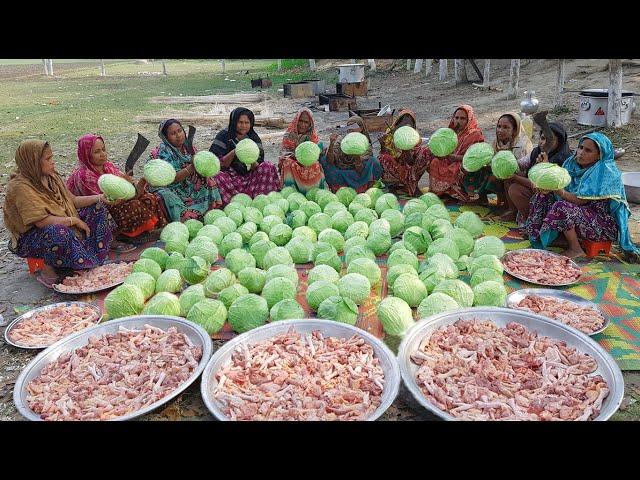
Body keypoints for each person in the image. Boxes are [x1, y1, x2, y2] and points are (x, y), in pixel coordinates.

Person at [3, 140, 114, 287]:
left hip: (61, 221)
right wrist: (74, 221)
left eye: (52, 157)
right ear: (33, 162)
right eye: (48, 159)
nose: (53, 162)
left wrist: (100, 198)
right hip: (33, 236)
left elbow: (72, 200)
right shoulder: (20, 187)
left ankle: (89, 259)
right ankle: (49, 272)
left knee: (98, 210)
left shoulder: (51, 176)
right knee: (58, 232)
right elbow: (41, 222)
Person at [524, 132, 640, 260]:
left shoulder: (605, 171)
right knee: (541, 197)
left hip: (601, 224)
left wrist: (558, 190)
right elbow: (559, 187)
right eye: (580, 147)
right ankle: (538, 235)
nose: (581, 152)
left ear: (599, 155)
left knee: (561, 207)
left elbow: (578, 200)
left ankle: (576, 248)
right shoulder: (571, 164)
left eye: (588, 150)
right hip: (579, 215)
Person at [67, 134, 165, 243]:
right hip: (99, 209)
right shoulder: (84, 175)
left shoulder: (108, 166)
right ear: (86, 154)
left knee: (149, 197)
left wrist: (136, 182)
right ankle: (128, 235)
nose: (102, 154)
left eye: (103, 149)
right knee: (133, 205)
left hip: (117, 201)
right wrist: (130, 193)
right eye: (96, 152)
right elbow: (107, 200)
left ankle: (148, 230)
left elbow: (124, 184)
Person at [148, 119, 222, 222]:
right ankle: (183, 217)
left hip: (188, 185)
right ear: (166, 137)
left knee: (209, 180)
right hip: (169, 186)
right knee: (166, 196)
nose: (178, 135)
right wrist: (191, 168)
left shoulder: (189, 148)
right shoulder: (163, 153)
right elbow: (170, 179)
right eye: (173, 133)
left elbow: (198, 168)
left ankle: (208, 212)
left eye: (180, 130)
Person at [500, 122, 571, 223]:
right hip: (535, 186)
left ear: (559, 142)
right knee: (508, 175)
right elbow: (520, 164)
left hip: (551, 197)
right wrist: (505, 163)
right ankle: (513, 211)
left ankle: (533, 221)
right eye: (542, 138)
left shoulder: (563, 160)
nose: (544, 143)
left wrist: (544, 166)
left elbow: (540, 185)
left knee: (515, 189)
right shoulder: (537, 152)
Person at [209, 107, 280, 204]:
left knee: (268, 167)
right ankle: (229, 203)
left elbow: (258, 165)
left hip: (250, 178)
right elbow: (216, 163)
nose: (243, 126)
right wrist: (235, 151)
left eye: (247, 123)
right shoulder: (224, 135)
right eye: (240, 122)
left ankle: (259, 200)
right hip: (229, 178)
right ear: (234, 122)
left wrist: (250, 158)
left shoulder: (253, 137)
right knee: (215, 175)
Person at [465, 112, 534, 206]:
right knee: (476, 171)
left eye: (506, 127)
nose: (500, 130)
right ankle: (483, 199)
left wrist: (495, 169)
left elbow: (518, 169)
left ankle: (498, 204)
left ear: (514, 130)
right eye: (499, 126)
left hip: (518, 176)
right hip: (498, 171)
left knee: (492, 179)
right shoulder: (497, 142)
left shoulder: (521, 145)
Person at [427, 105, 485, 201]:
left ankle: (457, 193)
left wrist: (455, 157)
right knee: (435, 162)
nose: (458, 121)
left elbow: (475, 158)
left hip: (462, 162)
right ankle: (440, 191)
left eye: (462, 118)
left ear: (469, 120)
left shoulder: (475, 135)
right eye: (456, 118)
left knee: (458, 168)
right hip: (449, 160)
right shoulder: (450, 133)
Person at [319, 116, 383, 193]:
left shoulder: (365, 144)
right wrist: (332, 143)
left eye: (354, 126)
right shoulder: (341, 140)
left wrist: (356, 156)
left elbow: (360, 170)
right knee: (324, 159)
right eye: (349, 126)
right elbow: (330, 161)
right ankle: (337, 188)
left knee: (373, 161)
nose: (351, 129)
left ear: (361, 128)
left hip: (357, 173)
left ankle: (365, 188)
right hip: (341, 170)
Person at [378, 109, 432, 197]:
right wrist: (382, 144)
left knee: (425, 152)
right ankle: (393, 186)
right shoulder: (390, 134)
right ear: (397, 124)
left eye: (409, 124)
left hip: (412, 168)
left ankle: (412, 184)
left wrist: (407, 150)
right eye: (403, 123)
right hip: (396, 167)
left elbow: (411, 162)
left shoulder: (414, 137)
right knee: (382, 157)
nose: (406, 126)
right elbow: (387, 153)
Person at [278, 107, 326, 194]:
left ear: (310, 124)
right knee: (287, 163)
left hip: (308, 163)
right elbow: (284, 155)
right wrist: (294, 156)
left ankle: (314, 193)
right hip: (294, 163)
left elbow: (317, 154)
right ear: (296, 121)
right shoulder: (289, 135)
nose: (302, 124)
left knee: (316, 165)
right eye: (300, 121)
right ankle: (290, 193)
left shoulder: (312, 137)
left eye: (306, 122)